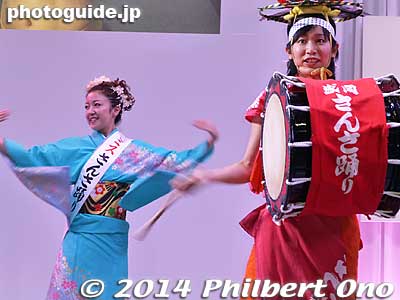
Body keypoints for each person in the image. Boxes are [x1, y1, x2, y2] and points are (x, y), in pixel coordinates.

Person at [173, 1, 364, 299]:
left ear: (334, 48)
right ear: (289, 50)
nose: (310, 49)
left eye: (320, 40)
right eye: (301, 41)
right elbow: (249, 166)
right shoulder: (271, 100)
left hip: (334, 227)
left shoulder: (351, 101)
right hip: (283, 228)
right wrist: (204, 176)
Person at [0, 76, 217, 299]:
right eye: (86, 106)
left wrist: (207, 145)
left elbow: (171, 161)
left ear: (115, 109)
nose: (90, 111)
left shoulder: (133, 151)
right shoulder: (77, 147)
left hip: (113, 241)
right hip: (82, 239)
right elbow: (34, 157)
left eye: (97, 105)